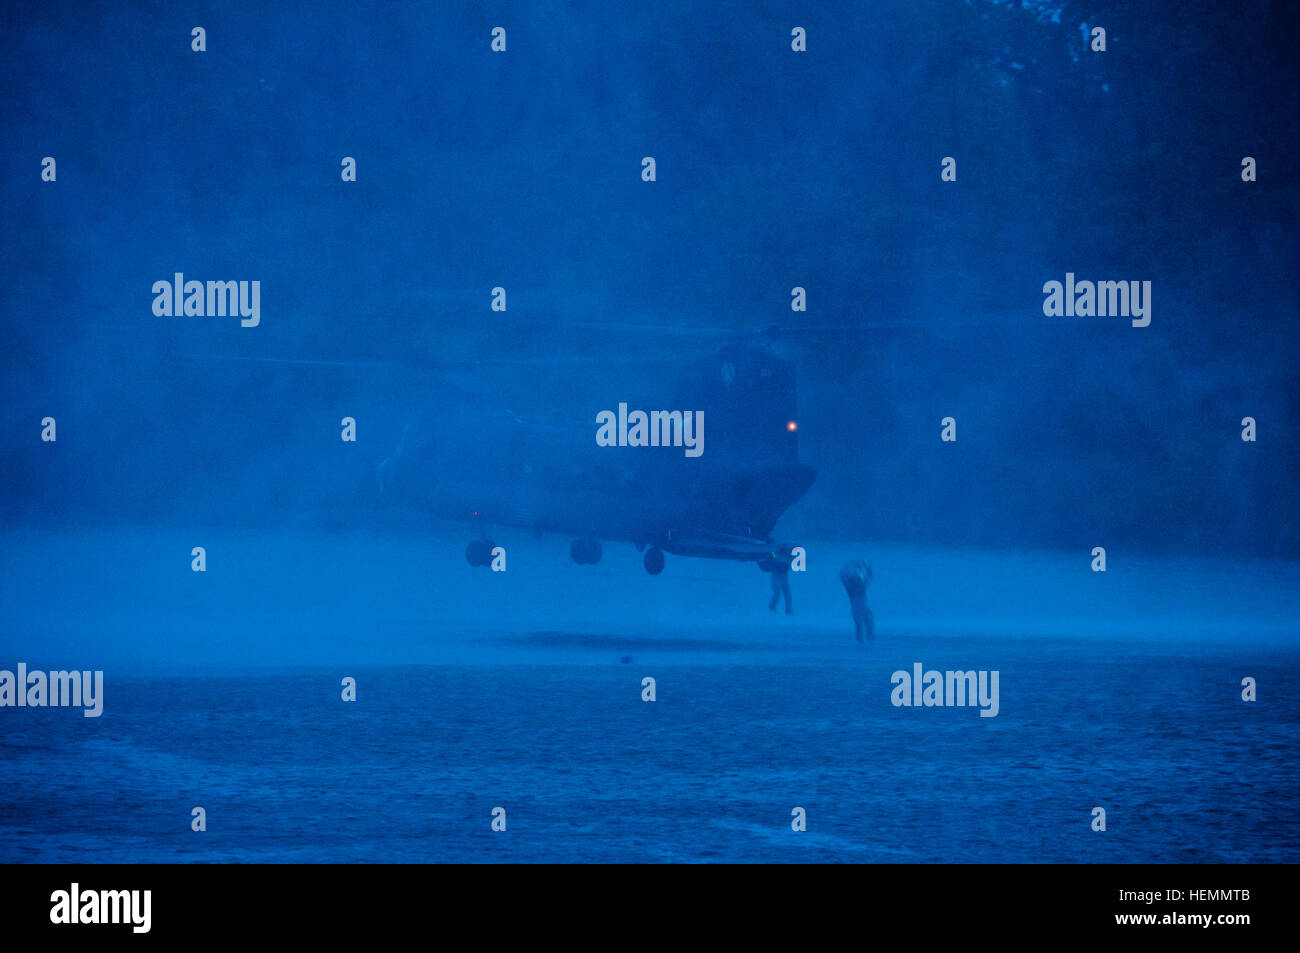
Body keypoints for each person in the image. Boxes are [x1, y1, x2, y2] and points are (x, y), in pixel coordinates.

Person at [839, 559, 874, 643]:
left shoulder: (853, 586)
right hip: (859, 607)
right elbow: (869, 576)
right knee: (862, 625)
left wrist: (866, 565)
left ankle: (867, 641)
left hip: (860, 607)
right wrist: (866, 565)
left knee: (865, 624)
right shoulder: (854, 586)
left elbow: (842, 577)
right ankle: (864, 642)